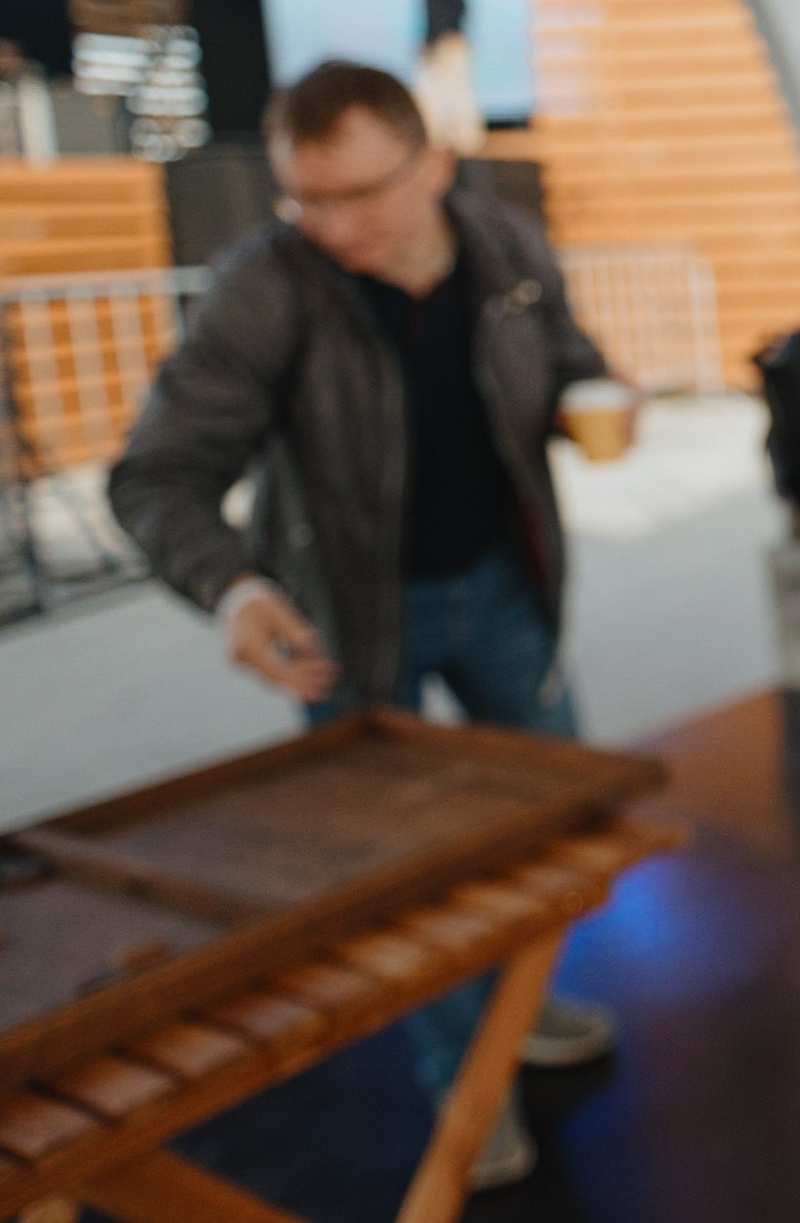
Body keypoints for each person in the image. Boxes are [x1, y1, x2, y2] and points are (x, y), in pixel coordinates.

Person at [109, 60, 616, 1190]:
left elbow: (572, 362)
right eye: (305, 197)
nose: (331, 225)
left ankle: (514, 1010)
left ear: (433, 161)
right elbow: (157, 476)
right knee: (396, 883)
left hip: (504, 590)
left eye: (359, 194)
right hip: (345, 617)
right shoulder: (269, 285)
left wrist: (599, 392)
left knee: (552, 821)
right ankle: (462, 1085)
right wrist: (236, 590)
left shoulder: (508, 254)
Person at [411, 0, 484, 156]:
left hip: (450, 42)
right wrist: (427, 42)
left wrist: (445, 37)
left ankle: (466, 143)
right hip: (434, 45)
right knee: (429, 93)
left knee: (458, 92)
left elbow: (459, 8)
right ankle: (434, 140)